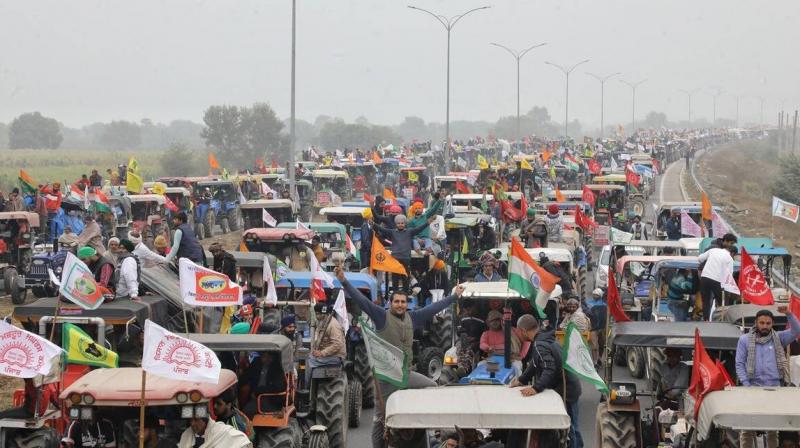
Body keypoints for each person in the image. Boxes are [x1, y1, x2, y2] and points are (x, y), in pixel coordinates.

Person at [337, 265, 464, 448]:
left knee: (432, 386)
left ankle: (418, 428)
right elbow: (361, 301)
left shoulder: (414, 317)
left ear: (407, 304)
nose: (400, 305)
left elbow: (434, 308)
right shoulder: (381, 316)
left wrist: (454, 297)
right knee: (381, 416)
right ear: (390, 303)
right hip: (387, 377)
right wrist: (344, 281)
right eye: (396, 302)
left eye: (403, 302)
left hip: (405, 374)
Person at [512, 315, 583, 448]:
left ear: (523, 330)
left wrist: (536, 388)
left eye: (519, 332)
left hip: (567, 389)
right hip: (571, 385)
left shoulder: (539, 344)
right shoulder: (545, 338)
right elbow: (535, 364)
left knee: (570, 427)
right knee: (574, 426)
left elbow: (549, 368)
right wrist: (522, 380)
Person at [735, 309, 800, 448]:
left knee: (773, 429)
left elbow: (797, 330)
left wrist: (789, 313)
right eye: (762, 323)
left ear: (772, 324)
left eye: (768, 323)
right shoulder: (744, 340)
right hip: (752, 389)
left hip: (774, 389)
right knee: (747, 428)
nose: (765, 326)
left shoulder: (779, 338)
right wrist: (746, 385)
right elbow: (739, 364)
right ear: (756, 323)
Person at [371, 213, 436, 293]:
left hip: (406, 259)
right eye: (398, 223)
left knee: (405, 277)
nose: (400, 225)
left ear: (405, 223)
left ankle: (405, 294)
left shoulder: (410, 231)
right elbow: (382, 229)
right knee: (395, 278)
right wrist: (373, 224)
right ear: (396, 224)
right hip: (395, 259)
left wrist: (428, 223)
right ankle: (395, 294)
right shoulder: (392, 232)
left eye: (402, 223)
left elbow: (419, 229)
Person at [307, 302, 346, 383]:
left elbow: (337, 344)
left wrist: (322, 353)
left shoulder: (333, 325)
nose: (317, 316)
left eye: (318, 314)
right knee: (306, 358)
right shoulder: (322, 322)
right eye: (316, 313)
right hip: (326, 356)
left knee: (308, 362)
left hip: (335, 356)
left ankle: (306, 387)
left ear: (324, 314)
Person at [478, 310, 522, 375]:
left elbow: (523, 339)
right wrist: (488, 347)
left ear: (501, 321)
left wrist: (495, 347)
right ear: (488, 322)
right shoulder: (486, 334)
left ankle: (517, 383)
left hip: (510, 359)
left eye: (497, 320)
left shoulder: (509, 330)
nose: (494, 322)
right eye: (492, 320)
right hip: (492, 359)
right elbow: (482, 344)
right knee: (480, 365)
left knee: (516, 367)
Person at [697, 245, 735, 320]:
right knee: (722, 302)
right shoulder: (729, 258)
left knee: (706, 301)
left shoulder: (713, 250)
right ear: (733, 253)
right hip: (717, 280)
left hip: (705, 277)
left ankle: (706, 319)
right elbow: (729, 274)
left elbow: (700, 259)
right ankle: (721, 319)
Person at [177, 417, 251, 448]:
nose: (192, 423)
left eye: (196, 419)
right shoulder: (186, 434)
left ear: (205, 420)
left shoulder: (221, 431)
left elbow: (242, 441)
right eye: (190, 420)